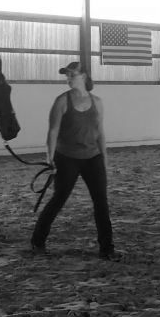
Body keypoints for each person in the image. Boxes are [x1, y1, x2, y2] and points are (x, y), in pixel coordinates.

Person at [30, 61, 120, 261]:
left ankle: (107, 248)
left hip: (93, 157)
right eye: (68, 76)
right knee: (58, 199)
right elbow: (53, 131)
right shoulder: (62, 101)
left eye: (73, 75)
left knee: (101, 203)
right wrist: (50, 157)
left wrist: (104, 159)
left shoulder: (97, 102)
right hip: (67, 157)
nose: (69, 79)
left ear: (84, 76)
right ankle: (38, 241)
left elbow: (100, 132)